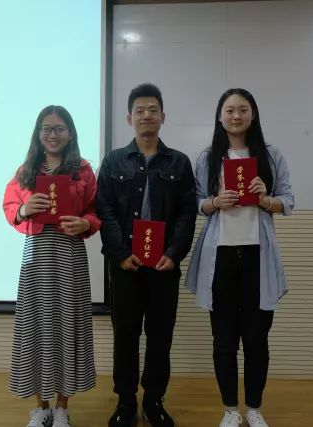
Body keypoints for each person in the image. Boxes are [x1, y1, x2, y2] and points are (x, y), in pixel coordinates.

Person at [184, 89, 294, 427]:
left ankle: (255, 409)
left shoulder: (270, 156)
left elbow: (288, 201)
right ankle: (230, 410)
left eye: (243, 110)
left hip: (258, 258)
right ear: (220, 117)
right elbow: (197, 203)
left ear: (253, 114)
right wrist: (215, 202)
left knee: (257, 340)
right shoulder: (208, 158)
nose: (236, 116)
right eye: (229, 110)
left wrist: (266, 199)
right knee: (224, 341)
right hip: (220, 258)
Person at [97, 83, 197, 427]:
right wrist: (120, 253)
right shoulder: (113, 161)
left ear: (163, 116)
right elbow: (105, 210)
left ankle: (154, 400)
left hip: (163, 266)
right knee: (125, 336)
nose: (146, 116)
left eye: (153, 110)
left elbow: (187, 214)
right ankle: (126, 402)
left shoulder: (179, 163)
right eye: (139, 110)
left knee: (160, 336)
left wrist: (174, 253)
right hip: (125, 266)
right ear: (129, 118)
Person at [2, 105, 101, 427]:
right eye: (46, 128)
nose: (52, 134)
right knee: (37, 326)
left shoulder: (82, 170)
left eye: (59, 128)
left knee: (67, 326)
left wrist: (85, 224)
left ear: (70, 133)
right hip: (36, 258)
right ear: (38, 134)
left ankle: (61, 407)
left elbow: (96, 211)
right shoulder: (26, 170)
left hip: (69, 255)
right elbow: (10, 207)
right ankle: (41, 406)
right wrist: (23, 209)